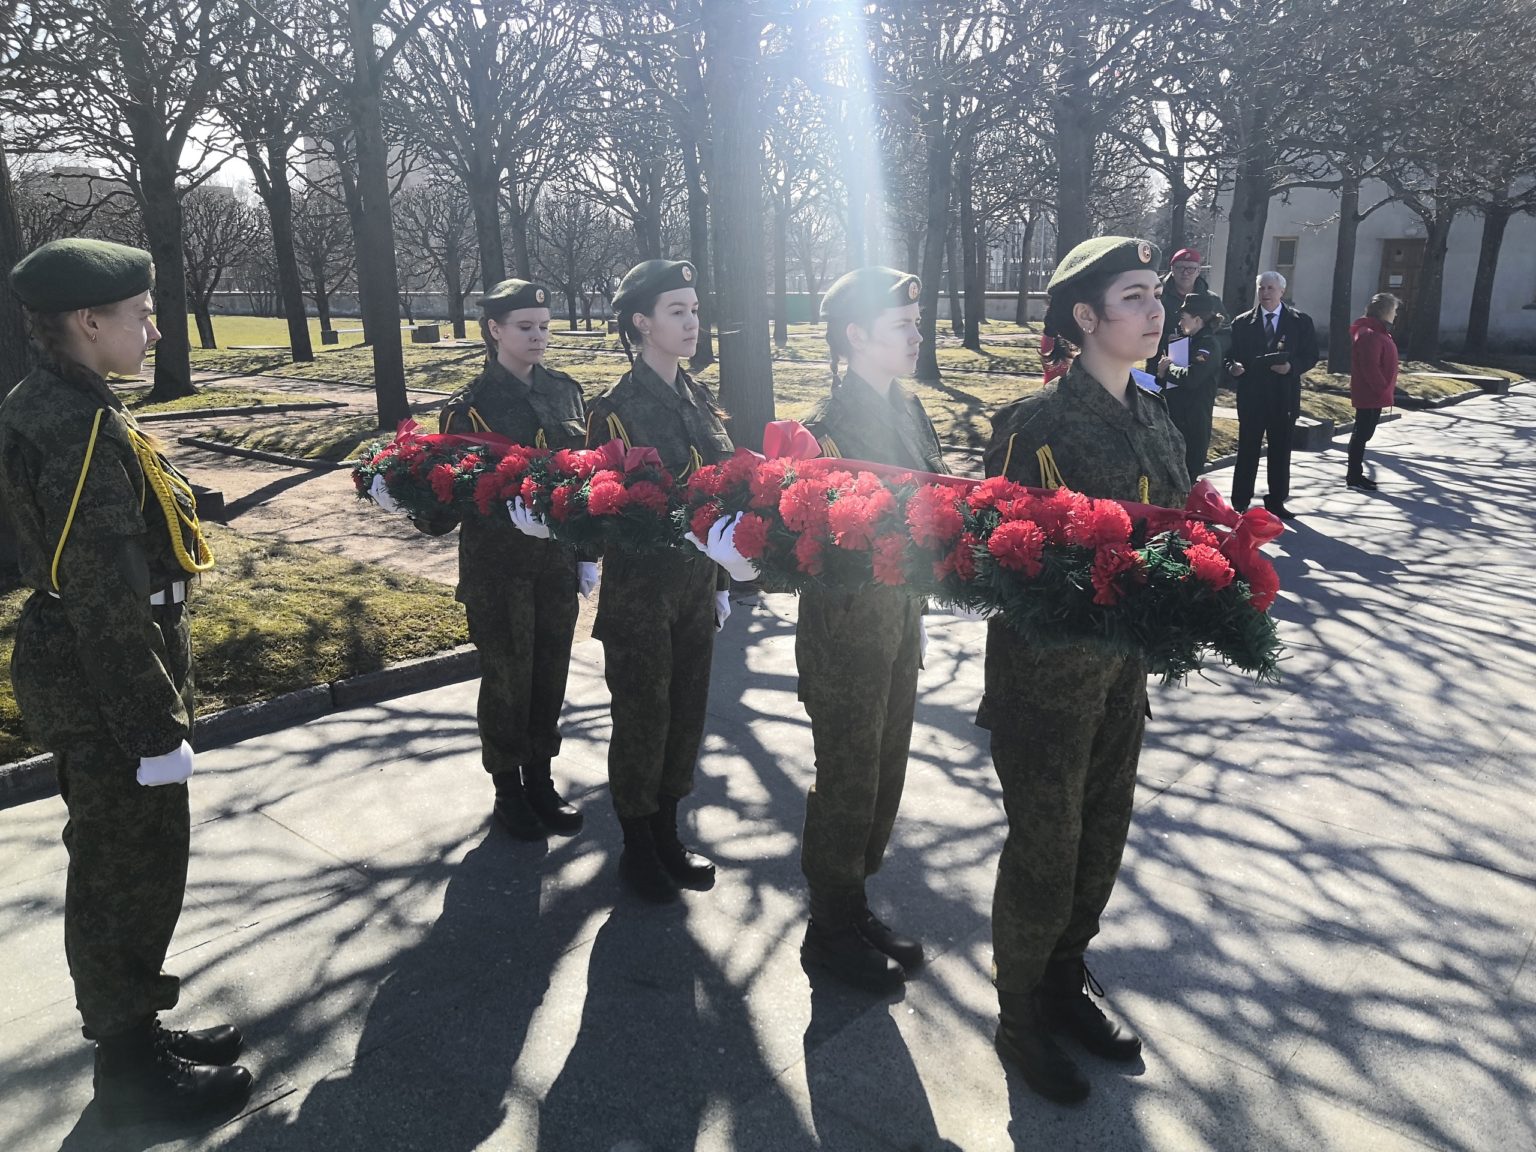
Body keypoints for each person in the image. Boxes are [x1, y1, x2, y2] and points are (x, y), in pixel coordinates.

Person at [0, 239, 252, 1125]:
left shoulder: (73, 402)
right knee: (125, 873)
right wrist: (153, 730)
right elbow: (102, 595)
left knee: (128, 865)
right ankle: (130, 1067)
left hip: (104, 673)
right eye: (140, 313)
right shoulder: (69, 424)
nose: (152, 327)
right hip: (110, 686)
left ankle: (136, 1023)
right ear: (88, 321)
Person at [980, 237, 1190, 1104]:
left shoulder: (1154, 415)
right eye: (1135, 296)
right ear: (1084, 317)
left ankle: (1066, 975)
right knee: (1044, 847)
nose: (1156, 310)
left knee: (1101, 835)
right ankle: (1019, 1012)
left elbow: (1179, 531)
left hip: (1121, 677)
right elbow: (988, 555)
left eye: (1156, 295)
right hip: (1046, 681)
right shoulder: (1035, 425)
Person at [795, 267, 948, 993]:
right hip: (846, 636)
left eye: (918, 325)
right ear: (856, 335)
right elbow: (806, 546)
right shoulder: (822, 430)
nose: (918, 337)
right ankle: (826, 929)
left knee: (885, 774)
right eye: (903, 328)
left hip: (900, 627)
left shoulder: (909, 411)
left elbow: (939, 491)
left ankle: (854, 904)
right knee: (847, 781)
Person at [413, 279, 590, 840]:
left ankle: (541, 776)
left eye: (543, 326)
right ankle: (507, 786)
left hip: (555, 563)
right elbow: (448, 495)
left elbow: (583, 476)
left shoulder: (567, 392)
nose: (538, 337)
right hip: (499, 567)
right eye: (525, 327)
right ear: (494, 330)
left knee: (550, 673)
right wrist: (410, 495)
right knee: (508, 677)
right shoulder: (469, 407)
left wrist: (587, 551)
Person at [584, 259, 735, 904]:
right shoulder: (615, 412)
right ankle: (637, 843)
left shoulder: (700, 399)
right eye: (677, 311)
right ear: (642, 323)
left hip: (697, 587)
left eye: (695, 311)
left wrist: (725, 574)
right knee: (643, 717)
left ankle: (669, 830)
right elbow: (608, 506)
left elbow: (727, 483)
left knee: (686, 713)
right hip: (642, 594)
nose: (692, 323)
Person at [1226, 271, 1319, 519]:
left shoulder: (1300, 321)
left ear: (1282, 292)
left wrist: (1292, 368)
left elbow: (1311, 356)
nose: (1265, 293)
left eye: (1270, 288)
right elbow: (1229, 355)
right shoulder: (1242, 322)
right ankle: (1240, 502)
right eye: (1261, 288)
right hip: (1252, 396)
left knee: (1280, 451)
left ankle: (1276, 500)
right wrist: (1232, 367)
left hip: (1283, 396)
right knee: (1248, 450)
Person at [1156, 291, 1229, 479]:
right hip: (1177, 415)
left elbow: (1192, 377)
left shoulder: (1208, 345)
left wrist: (1169, 368)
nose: (1180, 323)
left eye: (1183, 318)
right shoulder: (1188, 342)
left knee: (1188, 474)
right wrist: (1162, 374)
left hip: (1193, 420)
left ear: (1197, 320)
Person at [1346, 293, 1400, 491]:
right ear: (1385, 311)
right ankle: (1353, 475)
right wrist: (1380, 389)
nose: (1395, 315)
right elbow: (1370, 366)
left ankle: (1356, 474)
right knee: (1362, 433)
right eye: (1394, 310)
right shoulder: (1370, 334)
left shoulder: (1377, 331)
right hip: (1370, 393)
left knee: (1364, 433)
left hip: (1374, 393)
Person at [1151, 248, 1226, 368]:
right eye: (1180, 268)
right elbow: (1140, 330)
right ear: (1172, 269)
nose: (1185, 273)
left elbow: (1225, 336)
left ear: (1198, 271)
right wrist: (1165, 340)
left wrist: (1204, 344)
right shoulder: (1156, 296)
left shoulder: (1212, 300)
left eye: (1191, 268)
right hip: (1160, 367)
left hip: (1199, 370)